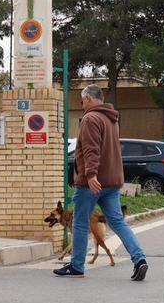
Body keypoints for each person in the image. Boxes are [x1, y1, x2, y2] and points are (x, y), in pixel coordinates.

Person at [54, 84, 149, 281]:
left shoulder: (90, 118)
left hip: (93, 183)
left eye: (82, 101)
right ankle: (139, 259)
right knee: (117, 222)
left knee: (80, 222)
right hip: (112, 181)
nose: (82, 105)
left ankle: (77, 266)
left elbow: (91, 149)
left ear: (88, 99)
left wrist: (90, 175)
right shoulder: (111, 118)